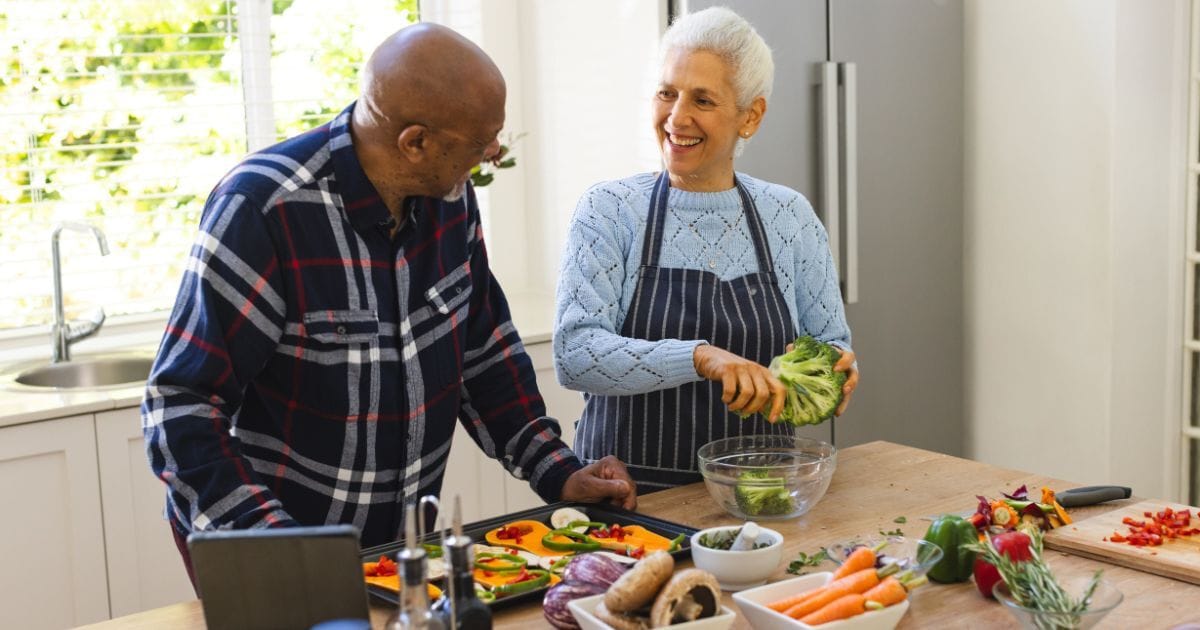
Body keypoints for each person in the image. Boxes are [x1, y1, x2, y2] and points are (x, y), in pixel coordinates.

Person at [142, 22, 636, 583]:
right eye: (480, 142)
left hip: (393, 550)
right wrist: (279, 545)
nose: (493, 153)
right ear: (415, 142)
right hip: (269, 544)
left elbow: (482, 351)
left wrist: (557, 469)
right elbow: (179, 403)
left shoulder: (449, 197)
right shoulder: (263, 209)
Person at [553, 7, 859, 492]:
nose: (676, 117)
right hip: (629, 501)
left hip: (759, 497)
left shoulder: (789, 216)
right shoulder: (609, 210)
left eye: (703, 99)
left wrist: (836, 369)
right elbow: (576, 355)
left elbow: (831, 342)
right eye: (666, 93)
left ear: (750, 116)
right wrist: (699, 356)